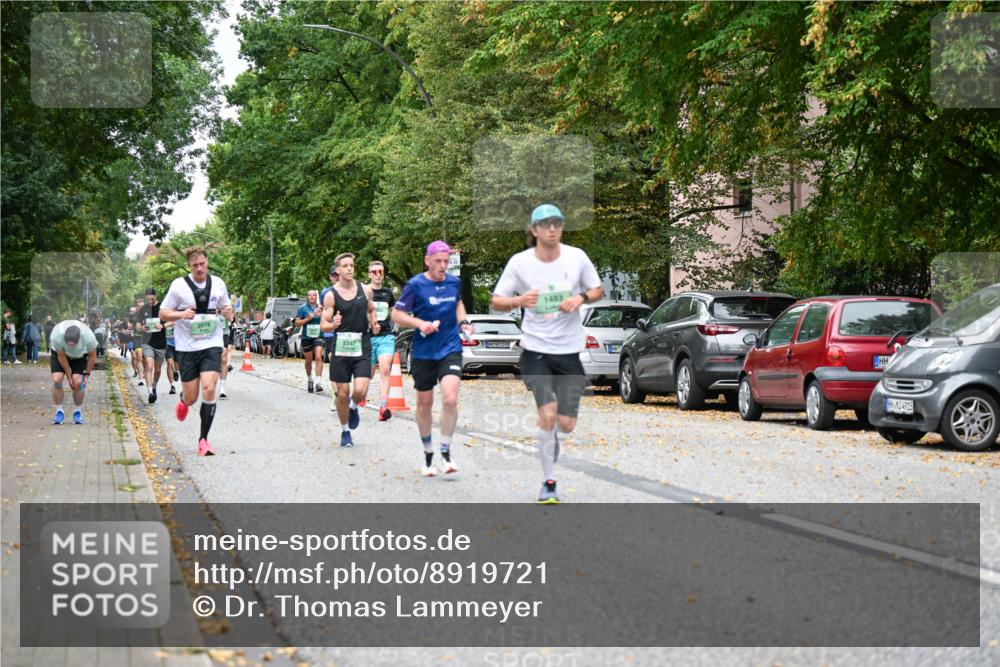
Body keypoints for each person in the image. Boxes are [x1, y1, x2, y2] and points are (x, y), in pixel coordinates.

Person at [490, 204, 604, 504]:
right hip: (535, 349)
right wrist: (519, 300)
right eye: (546, 224)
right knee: (548, 413)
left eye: (557, 223)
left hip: (568, 351)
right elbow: (496, 301)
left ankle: (552, 436)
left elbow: (597, 290)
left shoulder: (576, 257)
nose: (552, 229)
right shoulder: (520, 263)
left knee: (566, 423)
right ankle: (548, 482)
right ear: (534, 230)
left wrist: (579, 297)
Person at [391, 241, 474, 476]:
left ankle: (446, 451)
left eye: (446, 261)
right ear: (427, 260)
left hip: (450, 347)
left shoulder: (454, 282)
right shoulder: (416, 285)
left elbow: (458, 304)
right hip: (424, 351)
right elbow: (396, 314)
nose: (442, 266)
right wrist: (420, 324)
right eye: (438, 261)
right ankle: (428, 452)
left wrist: (464, 323)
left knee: (450, 399)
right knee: (424, 404)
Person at [159, 247, 233, 456]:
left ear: (207, 262)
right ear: (190, 265)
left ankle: (203, 440)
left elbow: (228, 309)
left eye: (202, 264)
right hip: (187, 347)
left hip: (211, 343)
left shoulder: (218, 284)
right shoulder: (178, 286)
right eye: (195, 265)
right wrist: (182, 314)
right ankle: (184, 400)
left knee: (209, 388)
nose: (199, 268)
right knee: (192, 397)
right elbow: (164, 314)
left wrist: (228, 312)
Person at [321, 253, 379, 448]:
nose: (349, 269)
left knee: (361, 390)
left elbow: (371, 309)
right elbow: (323, 325)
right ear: (337, 270)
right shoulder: (331, 295)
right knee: (343, 393)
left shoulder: (365, 290)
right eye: (344, 266)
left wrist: (374, 322)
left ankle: (354, 407)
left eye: (351, 265)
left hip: (361, 343)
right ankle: (345, 431)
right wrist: (332, 324)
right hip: (341, 346)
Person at [48, 319, 98, 425]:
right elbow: (61, 356)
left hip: (79, 355)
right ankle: (59, 411)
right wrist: (68, 375)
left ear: (79, 340)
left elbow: (92, 357)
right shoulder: (56, 336)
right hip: (60, 354)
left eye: (73, 344)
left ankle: (77, 412)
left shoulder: (88, 337)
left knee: (78, 382)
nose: (70, 346)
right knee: (57, 380)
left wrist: (87, 374)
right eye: (68, 344)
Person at [366, 260, 396, 421]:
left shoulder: (388, 293)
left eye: (381, 272)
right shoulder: (363, 292)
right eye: (375, 272)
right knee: (368, 375)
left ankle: (383, 406)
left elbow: (394, 312)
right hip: (368, 338)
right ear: (369, 274)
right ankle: (355, 400)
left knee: (385, 369)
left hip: (386, 336)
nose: (378, 275)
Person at [140, 288, 167, 404]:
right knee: (149, 366)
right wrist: (141, 328)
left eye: (152, 299)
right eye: (148, 300)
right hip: (147, 342)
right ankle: (150, 392)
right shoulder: (144, 309)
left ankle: (154, 386)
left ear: (156, 296)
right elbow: (137, 324)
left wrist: (162, 326)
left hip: (160, 343)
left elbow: (172, 321)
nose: (150, 301)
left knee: (157, 370)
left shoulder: (163, 307)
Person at [294, 290, 325, 393]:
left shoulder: (320, 307)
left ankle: (318, 383)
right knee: (308, 361)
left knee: (318, 357)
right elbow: (297, 324)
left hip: (319, 336)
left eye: (314, 295)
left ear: (316, 297)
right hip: (306, 337)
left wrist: (323, 313)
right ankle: (310, 380)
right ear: (307, 297)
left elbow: (328, 319)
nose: (312, 297)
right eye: (310, 295)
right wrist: (308, 318)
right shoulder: (302, 308)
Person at [319, 266, 339, 409]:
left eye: (339, 274)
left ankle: (345, 392)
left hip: (347, 333)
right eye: (334, 275)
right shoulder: (326, 293)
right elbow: (324, 311)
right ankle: (336, 394)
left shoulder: (352, 291)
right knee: (333, 361)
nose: (337, 277)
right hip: (331, 334)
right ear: (330, 277)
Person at [218, 309, 233, 398]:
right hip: (211, 335)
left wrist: (225, 312)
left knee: (223, 359)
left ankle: (222, 387)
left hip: (224, 334)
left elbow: (231, 318)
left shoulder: (226, 307)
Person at [164, 322, 178, 394]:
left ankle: (176, 371)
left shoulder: (178, 318)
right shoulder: (163, 318)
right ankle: (172, 386)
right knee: (169, 363)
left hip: (179, 344)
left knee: (178, 365)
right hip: (167, 345)